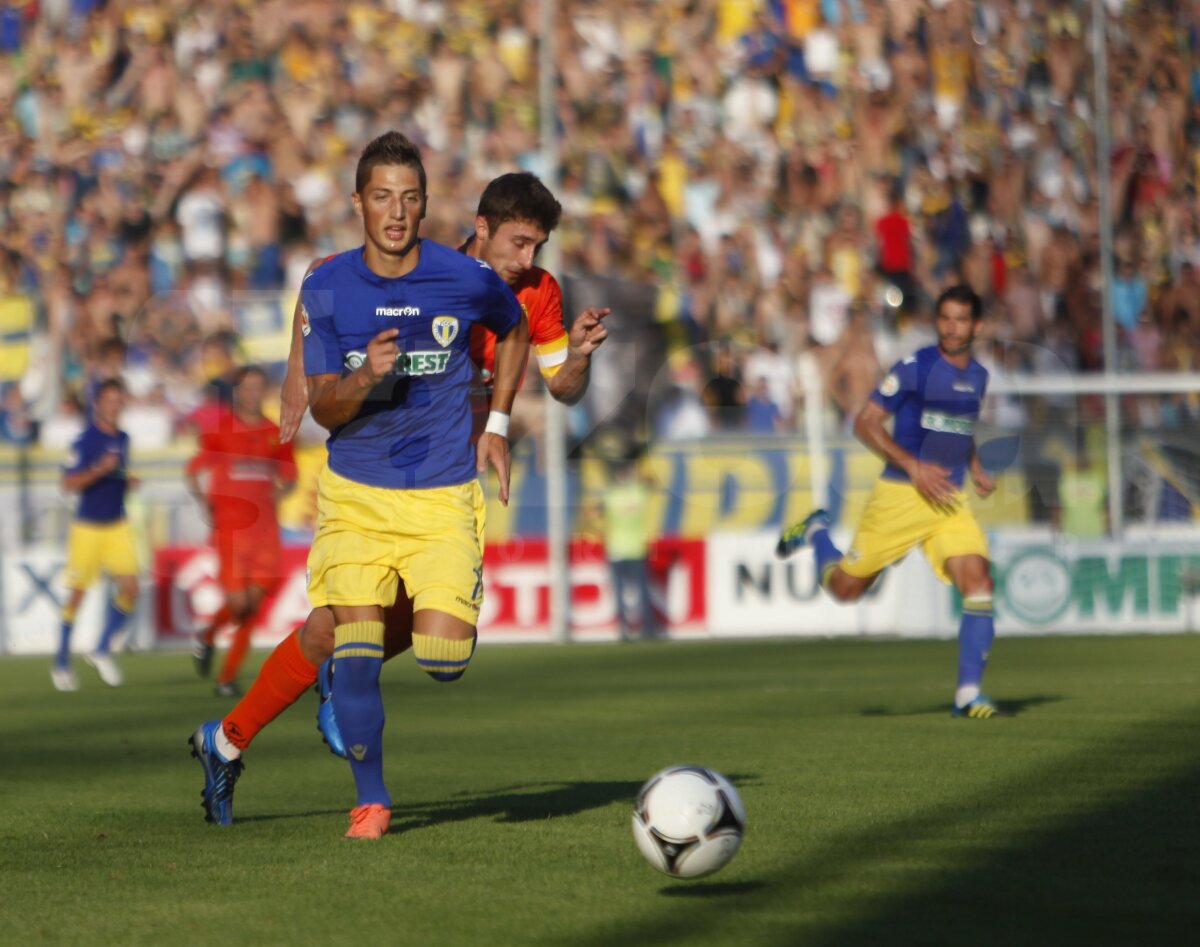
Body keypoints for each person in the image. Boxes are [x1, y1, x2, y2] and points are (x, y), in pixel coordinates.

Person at [187, 168, 610, 828]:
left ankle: (231, 736)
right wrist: (299, 368)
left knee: (379, 637)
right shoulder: (427, 268)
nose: (528, 261)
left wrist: (577, 357)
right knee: (338, 631)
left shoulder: (540, 293)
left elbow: (561, 388)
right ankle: (255, 746)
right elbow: (320, 274)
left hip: (445, 481)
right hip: (376, 468)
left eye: (538, 247)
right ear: (481, 228)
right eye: (519, 243)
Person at [776, 285, 1001, 719]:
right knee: (846, 589)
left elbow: (960, 425)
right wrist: (914, 467)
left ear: (977, 325)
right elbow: (866, 423)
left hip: (949, 501)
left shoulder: (978, 376)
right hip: (900, 495)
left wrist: (974, 466)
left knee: (979, 581)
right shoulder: (915, 367)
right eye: (945, 318)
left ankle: (968, 695)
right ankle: (818, 531)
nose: (952, 327)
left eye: (961, 319)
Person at [185, 365, 297, 696]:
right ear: (237, 392)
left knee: (253, 606)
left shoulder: (275, 432)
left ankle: (227, 678)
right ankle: (207, 636)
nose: (252, 393)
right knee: (238, 603)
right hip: (232, 531)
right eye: (246, 387)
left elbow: (290, 476)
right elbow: (193, 470)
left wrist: (281, 491)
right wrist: (206, 503)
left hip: (265, 533)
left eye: (257, 387)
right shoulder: (220, 431)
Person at [52, 379, 139, 691]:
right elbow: (68, 484)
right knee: (77, 593)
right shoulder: (86, 440)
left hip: (117, 525)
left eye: (119, 399)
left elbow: (116, 475)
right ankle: (61, 660)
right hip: (87, 527)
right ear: (99, 404)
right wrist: (100, 470)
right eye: (109, 400)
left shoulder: (124, 439)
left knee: (131, 589)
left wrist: (127, 481)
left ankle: (101, 648)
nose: (114, 405)